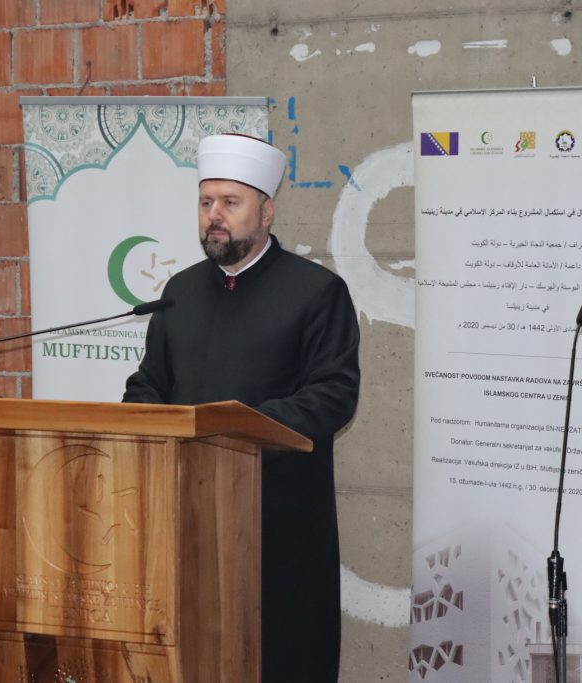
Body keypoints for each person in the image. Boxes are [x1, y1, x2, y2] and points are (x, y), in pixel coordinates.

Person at [123, 133, 361, 682]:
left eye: (230, 203)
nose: (215, 215)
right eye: (206, 202)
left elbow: (333, 394)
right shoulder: (179, 293)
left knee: (279, 657)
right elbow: (148, 382)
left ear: (266, 211)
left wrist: (235, 434)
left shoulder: (317, 292)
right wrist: (147, 419)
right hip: (185, 512)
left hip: (277, 518)